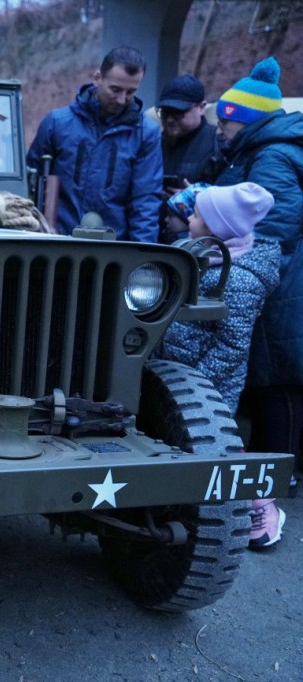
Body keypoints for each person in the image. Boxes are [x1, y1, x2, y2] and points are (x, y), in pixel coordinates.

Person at [155, 182, 285, 549]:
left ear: (216, 228)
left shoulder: (239, 279)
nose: (189, 218)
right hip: (176, 375)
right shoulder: (201, 258)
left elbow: (231, 346)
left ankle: (260, 504)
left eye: (196, 214)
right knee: (185, 445)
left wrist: (196, 388)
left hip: (204, 388)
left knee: (218, 449)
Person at [212, 56, 303, 509]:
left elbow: (273, 229)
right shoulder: (267, 151)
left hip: (282, 286)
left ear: (244, 121)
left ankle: (276, 476)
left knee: (276, 382)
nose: (220, 132)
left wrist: (243, 268)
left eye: (225, 124)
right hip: (283, 280)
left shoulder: (271, 157)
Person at [26, 46, 163, 241]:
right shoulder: (57, 123)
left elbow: (145, 202)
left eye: (131, 92)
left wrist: (141, 258)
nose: (122, 99)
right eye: (115, 89)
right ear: (97, 78)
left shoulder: (146, 134)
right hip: (54, 241)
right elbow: (29, 188)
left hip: (113, 248)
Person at [155, 74, 224, 243]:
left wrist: (196, 197)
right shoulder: (155, 142)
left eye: (178, 113)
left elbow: (229, 199)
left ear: (202, 108)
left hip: (197, 243)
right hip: (157, 234)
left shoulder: (219, 142)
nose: (170, 119)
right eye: (165, 113)